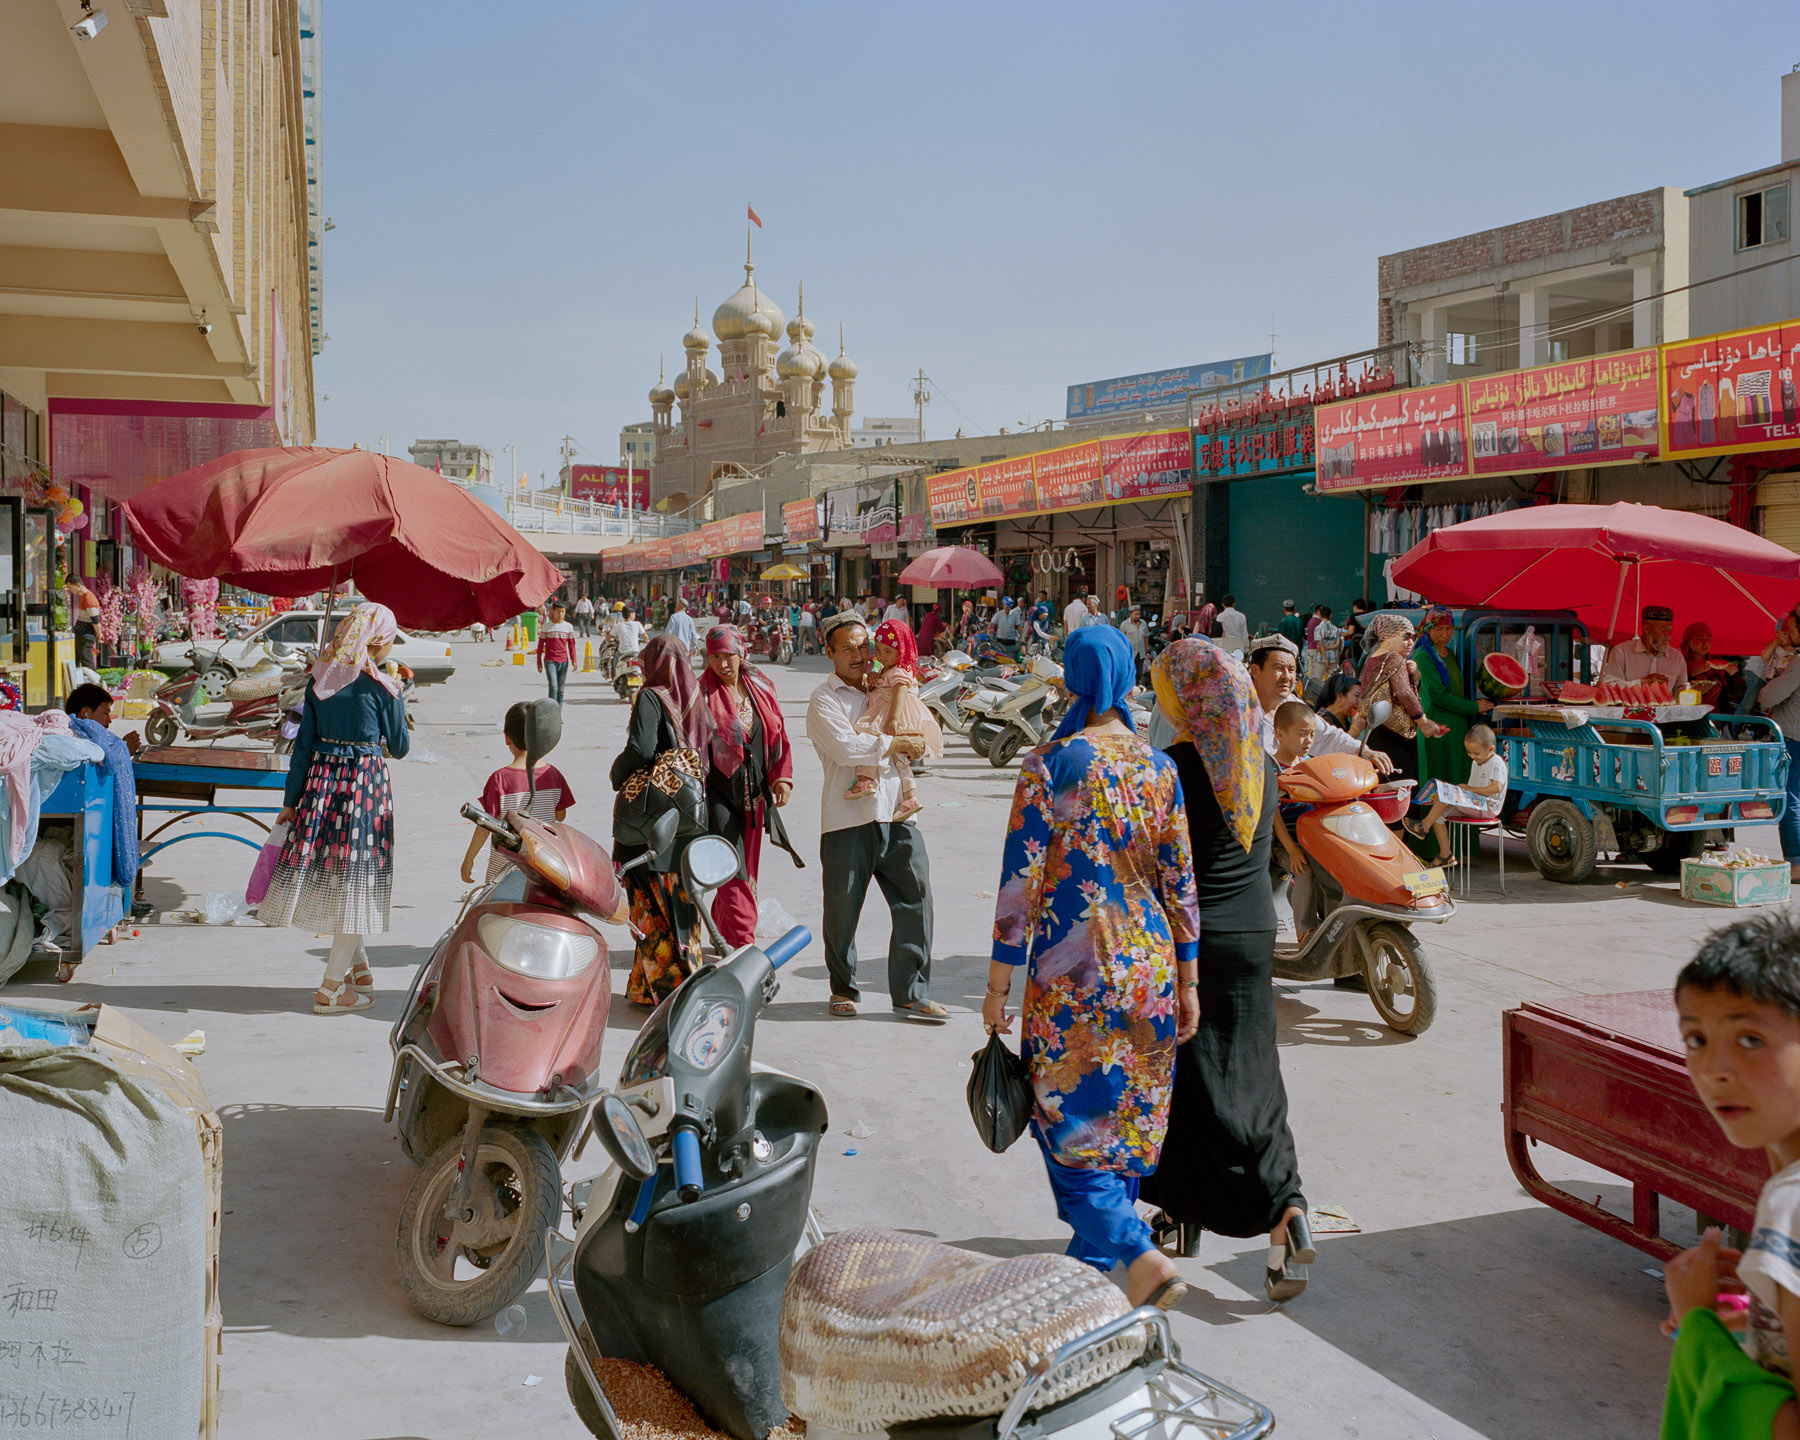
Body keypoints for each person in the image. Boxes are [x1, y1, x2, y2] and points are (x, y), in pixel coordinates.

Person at [985, 625, 1199, 1309]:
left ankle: (1136, 1253)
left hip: (1072, 974)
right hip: (1149, 966)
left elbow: (1019, 888)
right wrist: (1189, 980)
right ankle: (1091, 1279)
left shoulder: (1050, 764)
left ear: (1071, 682)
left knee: (1068, 1122)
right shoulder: (1159, 768)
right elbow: (1183, 887)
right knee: (1125, 1120)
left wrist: (998, 988)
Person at [1139, 637, 1313, 1302]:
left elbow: (1155, 866)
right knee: (1254, 1074)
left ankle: (1219, 1210)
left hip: (1192, 941)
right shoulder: (1258, 765)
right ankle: (1281, 1217)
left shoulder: (1175, 767)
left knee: (1192, 1077)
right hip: (1252, 933)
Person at [1660, 913, 1800, 1435]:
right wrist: (1760, 1315)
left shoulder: (1792, 1203)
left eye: (1750, 1039)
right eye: (1695, 1038)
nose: (1714, 1068)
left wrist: (1700, 1330)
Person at [261, 602, 410, 1015]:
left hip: (320, 789)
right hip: (364, 790)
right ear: (378, 642)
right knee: (357, 884)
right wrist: (398, 698)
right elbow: (399, 747)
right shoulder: (382, 688)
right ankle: (329, 991)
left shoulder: (319, 682)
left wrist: (290, 802)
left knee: (341, 879)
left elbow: (302, 748)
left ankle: (359, 972)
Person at [804, 611, 945, 1022]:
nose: (860, 654)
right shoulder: (823, 700)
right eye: (847, 647)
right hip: (847, 817)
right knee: (843, 910)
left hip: (898, 812)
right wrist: (896, 740)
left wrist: (916, 738)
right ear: (828, 652)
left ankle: (911, 993)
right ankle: (843, 988)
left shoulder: (888, 683)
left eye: (864, 645)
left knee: (916, 901)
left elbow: (916, 721)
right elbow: (848, 748)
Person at [611, 635, 708, 1005]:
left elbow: (641, 748)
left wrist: (616, 774)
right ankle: (649, 985)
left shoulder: (651, 696)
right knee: (681, 901)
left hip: (651, 816)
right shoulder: (696, 700)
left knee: (648, 902)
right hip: (687, 815)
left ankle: (669, 989)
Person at [698, 625, 799, 949]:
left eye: (728, 656)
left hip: (754, 792)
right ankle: (743, 942)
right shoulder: (699, 694)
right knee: (732, 866)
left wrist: (781, 776)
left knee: (747, 869)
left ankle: (723, 928)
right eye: (715, 657)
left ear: (741, 653)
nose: (723, 664)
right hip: (716, 793)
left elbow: (777, 733)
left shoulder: (761, 686)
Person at [460, 701, 575, 884]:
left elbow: (484, 824)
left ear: (507, 737)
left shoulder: (499, 779)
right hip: (545, 869)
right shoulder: (553, 775)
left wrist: (469, 859)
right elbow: (560, 816)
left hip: (504, 873)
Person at [1248, 635, 1395, 773]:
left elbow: (1326, 736)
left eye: (1291, 670)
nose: (1287, 676)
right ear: (1255, 671)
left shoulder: (1292, 703)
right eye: (1279, 668)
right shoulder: (1240, 710)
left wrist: (1363, 751)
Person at [848, 619, 943, 822]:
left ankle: (867, 781)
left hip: (893, 717)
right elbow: (880, 687)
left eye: (888, 652)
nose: (881, 656)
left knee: (873, 741)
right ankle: (906, 797)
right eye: (879, 651)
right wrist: (873, 679)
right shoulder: (886, 670)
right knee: (893, 755)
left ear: (902, 650)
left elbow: (900, 694)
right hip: (886, 714)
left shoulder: (900, 671)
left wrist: (893, 719)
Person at [1356, 613, 1448, 782]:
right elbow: (1404, 693)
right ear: (1386, 637)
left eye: (1414, 637)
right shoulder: (1394, 658)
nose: (1411, 642)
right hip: (1396, 737)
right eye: (1406, 637)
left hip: (1377, 730)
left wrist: (1414, 675)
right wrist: (1424, 722)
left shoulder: (1373, 658)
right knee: (1401, 786)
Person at [1405, 723, 1506, 867]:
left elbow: (1496, 788)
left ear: (1490, 749)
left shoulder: (1496, 762)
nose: (1472, 756)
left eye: (1476, 753)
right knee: (1438, 813)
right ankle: (1445, 855)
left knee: (1445, 797)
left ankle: (1423, 826)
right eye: (1469, 752)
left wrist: (1469, 789)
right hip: (1476, 803)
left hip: (1487, 807)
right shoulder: (1477, 762)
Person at [1412, 606, 1491, 786]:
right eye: (1439, 629)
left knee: (1457, 777)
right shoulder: (1423, 656)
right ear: (1428, 629)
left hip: (1457, 727)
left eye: (1448, 628)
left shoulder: (1450, 655)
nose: (1445, 634)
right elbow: (1438, 695)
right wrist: (1474, 707)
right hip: (1437, 727)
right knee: (1438, 776)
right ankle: (1434, 814)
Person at [1749, 609, 1800, 880]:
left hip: (1794, 738)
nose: (1787, 632)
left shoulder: (1799, 663)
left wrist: (1765, 690)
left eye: (1791, 627)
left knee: (1790, 800)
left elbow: (1769, 697)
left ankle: (1796, 864)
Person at [1602, 603, 1690, 691]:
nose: (1669, 635)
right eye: (1663, 629)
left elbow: (1680, 694)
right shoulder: (1621, 652)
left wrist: (1693, 689)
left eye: (1670, 629)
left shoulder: (1677, 658)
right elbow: (1610, 686)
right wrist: (1640, 683)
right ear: (1646, 628)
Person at [1681, 622, 1737, 709]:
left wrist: (1733, 675)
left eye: (1709, 639)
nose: (1705, 643)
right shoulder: (1679, 660)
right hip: (1687, 710)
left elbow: (1736, 692)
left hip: (1716, 712)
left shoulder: (1717, 659)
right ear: (1688, 641)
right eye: (1699, 638)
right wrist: (1689, 674)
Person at [536, 601, 577, 703]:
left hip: (564, 662)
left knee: (560, 690)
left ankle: (558, 713)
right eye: (558, 612)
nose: (561, 614)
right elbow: (540, 646)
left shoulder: (568, 627)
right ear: (553, 611)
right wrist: (539, 662)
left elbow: (571, 645)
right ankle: (551, 711)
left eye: (563, 612)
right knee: (553, 687)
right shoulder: (546, 627)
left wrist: (574, 660)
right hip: (550, 661)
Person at [66, 578, 101, 670]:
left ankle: (94, 683)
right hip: (81, 634)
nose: (69, 590)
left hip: (86, 635)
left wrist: (99, 634)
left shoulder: (89, 599)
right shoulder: (83, 596)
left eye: (70, 587)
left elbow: (95, 620)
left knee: (87, 663)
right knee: (78, 662)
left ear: (78, 585)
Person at [1119, 604, 1149, 679]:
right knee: (1130, 674)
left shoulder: (1143, 623)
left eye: (1139, 614)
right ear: (1130, 614)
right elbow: (1120, 640)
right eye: (1135, 614)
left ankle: (1137, 688)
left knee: (1139, 674)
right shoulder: (1124, 625)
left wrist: (1145, 651)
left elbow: (1146, 637)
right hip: (1130, 653)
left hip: (1140, 653)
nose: (1138, 616)